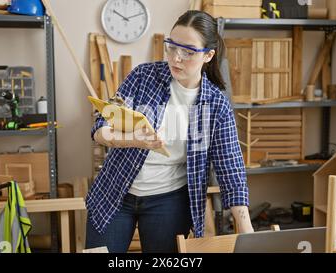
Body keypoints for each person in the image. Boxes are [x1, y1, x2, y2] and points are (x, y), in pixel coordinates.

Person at [86, 10, 253, 253]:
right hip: (114, 192)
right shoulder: (143, 77)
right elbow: (100, 127)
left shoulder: (216, 104)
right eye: (172, 46)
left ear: (208, 55)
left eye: (187, 51)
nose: (176, 58)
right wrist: (131, 140)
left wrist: (246, 229)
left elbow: (231, 167)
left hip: (169, 202)